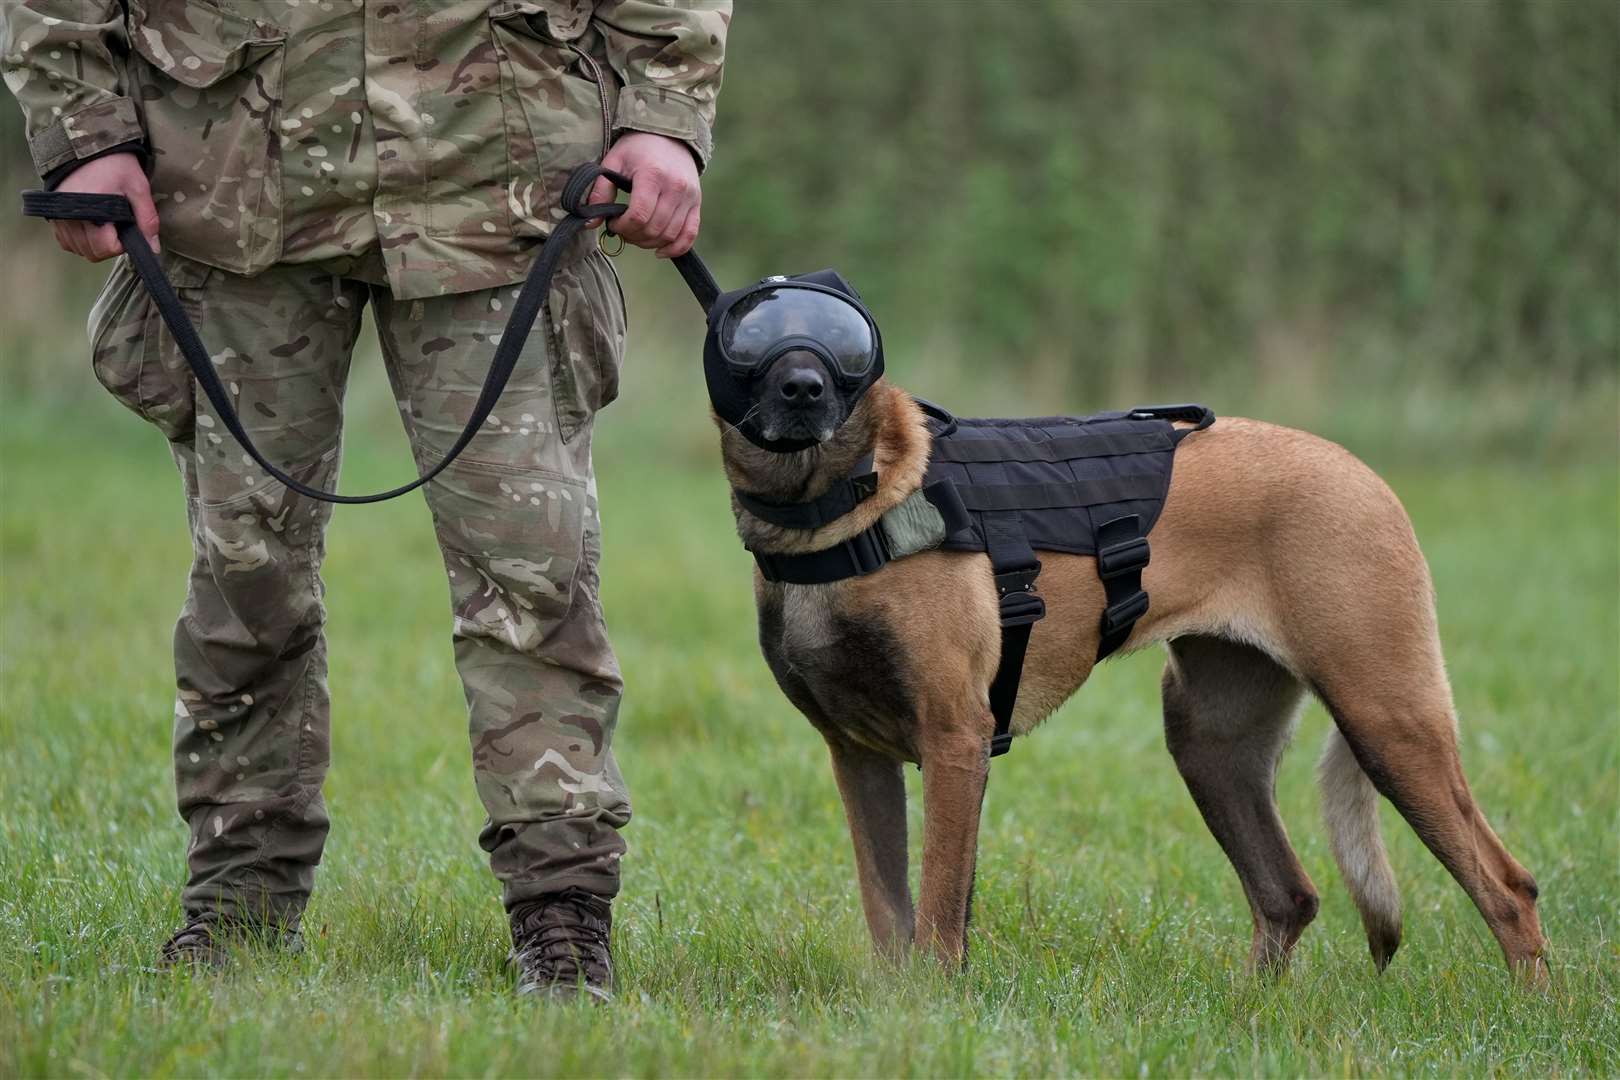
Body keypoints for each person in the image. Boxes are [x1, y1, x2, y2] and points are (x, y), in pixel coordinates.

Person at [0, 0, 729, 1001]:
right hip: (230, 176)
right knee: (246, 574)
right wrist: (86, 130)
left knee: (533, 569)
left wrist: (663, 112)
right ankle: (239, 906)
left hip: (499, 171)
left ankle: (561, 915)